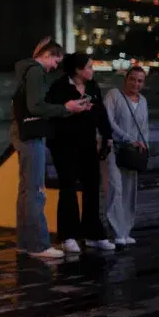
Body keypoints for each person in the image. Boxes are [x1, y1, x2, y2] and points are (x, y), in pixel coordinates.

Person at [10, 39, 91, 260]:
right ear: (46, 54)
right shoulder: (36, 72)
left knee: (26, 190)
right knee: (35, 190)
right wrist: (67, 108)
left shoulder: (25, 70)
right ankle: (38, 244)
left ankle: (25, 243)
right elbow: (36, 105)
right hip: (32, 134)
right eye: (56, 60)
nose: (56, 66)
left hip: (21, 131)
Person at [45, 53, 115, 253]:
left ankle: (93, 234)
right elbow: (51, 113)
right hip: (64, 145)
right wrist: (71, 110)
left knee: (92, 186)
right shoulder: (59, 87)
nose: (92, 70)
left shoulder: (92, 87)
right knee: (68, 188)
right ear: (77, 69)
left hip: (87, 143)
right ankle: (68, 236)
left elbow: (101, 113)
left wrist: (107, 135)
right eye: (89, 67)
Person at [102, 66, 149, 246]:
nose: (136, 84)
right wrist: (128, 139)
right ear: (125, 79)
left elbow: (145, 128)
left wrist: (145, 145)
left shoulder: (143, 101)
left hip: (133, 152)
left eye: (140, 81)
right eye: (133, 79)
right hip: (113, 148)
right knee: (115, 189)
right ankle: (116, 232)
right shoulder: (113, 95)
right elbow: (109, 122)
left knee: (130, 191)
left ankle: (126, 230)